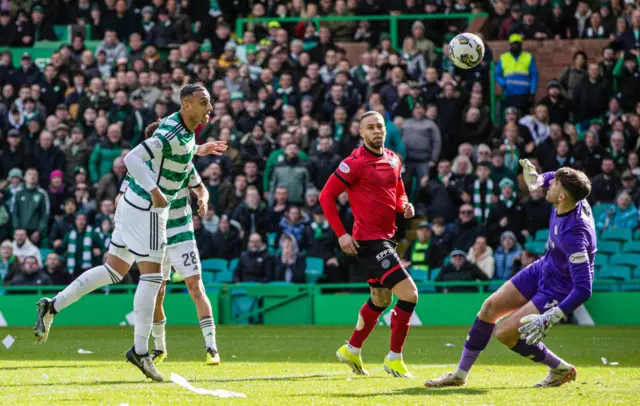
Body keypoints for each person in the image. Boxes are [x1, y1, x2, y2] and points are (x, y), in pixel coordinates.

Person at [33, 84, 227, 382]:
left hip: (131, 208)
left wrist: (200, 150)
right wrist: (156, 191)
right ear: (187, 105)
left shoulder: (183, 132)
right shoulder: (170, 132)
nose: (209, 107)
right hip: (147, 211)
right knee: (151, 278)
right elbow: (132, 159)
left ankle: (52, 305)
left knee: (113, 270)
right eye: (203, 102)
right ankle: (140, 351)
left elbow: (179, 153)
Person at [426, 161, 595, 388]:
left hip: (557, 288)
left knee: (505, 333)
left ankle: (559, 368)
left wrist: (552, 316)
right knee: (488, 308)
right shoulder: (573, 194)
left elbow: (584, 288)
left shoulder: (574, 234)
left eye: (552, 185)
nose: (549, 185)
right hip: (544, 267)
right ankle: (459, 375)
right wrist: (538, 178)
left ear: (563, 197)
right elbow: (559, 176)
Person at [319, 111, 417, 378]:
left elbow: (399, 192)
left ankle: (352, 348)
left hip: (387, 237)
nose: (376, 131)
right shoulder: (354, 163)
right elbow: (326, 196)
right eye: (370, 128)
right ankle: (394, 359)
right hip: (369, 241)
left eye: (380, 127)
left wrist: (404, 206)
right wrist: (341, 233)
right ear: (361, 133)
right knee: (409, 294)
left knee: (381, 298)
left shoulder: (394, 159)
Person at [116, 121, 221, 366]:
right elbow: (121, 197)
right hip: (156, 235)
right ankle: (160, 348)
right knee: (157, 293)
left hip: (181, 233)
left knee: (195, 287)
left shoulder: (182, 164)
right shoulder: (139, 170)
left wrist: (202, 200)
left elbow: (201, 188)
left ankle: (211, 347)